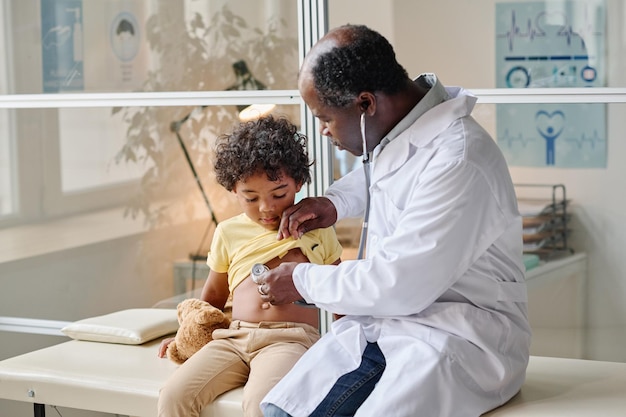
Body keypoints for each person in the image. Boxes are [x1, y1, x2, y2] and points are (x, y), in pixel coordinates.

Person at [256, 24, 531, 417]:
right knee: (281, 411)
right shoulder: (404, 126)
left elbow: (399, 283)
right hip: (396, 323)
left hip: (459, 334)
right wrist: (334, 203)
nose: (322, 130)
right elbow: (389, 172)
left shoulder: (459, 158)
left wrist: (300, 279)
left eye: (326, 118)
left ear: (366, 104)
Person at [157, 115, 343, 417]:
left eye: (279, 194)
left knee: (261, 405)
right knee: (173, 396)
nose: (266, 207)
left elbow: (340, 291)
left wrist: (348, 343)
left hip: (289, 339)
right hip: (232, 338)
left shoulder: (316, 229)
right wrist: (184, 335)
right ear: (234, 190)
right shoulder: (228, 233)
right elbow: (214, 297)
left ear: (298, 182)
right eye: (251, 197)